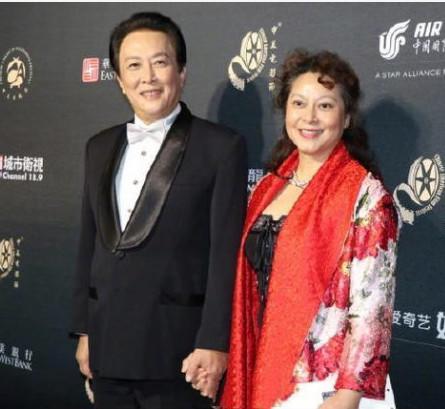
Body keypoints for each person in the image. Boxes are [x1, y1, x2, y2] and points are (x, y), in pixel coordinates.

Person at [71, 12, 247, 409]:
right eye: (133, 65)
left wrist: (213, 342)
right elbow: (88, 245)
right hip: (107, 346)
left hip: (179, 353)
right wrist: (84, 329)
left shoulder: (220, 148)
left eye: (160, 62)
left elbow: (225, 255)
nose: (147, 77)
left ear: (181, 72)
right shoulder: (98, 146)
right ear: (119, 80)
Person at [220, 50, 400, 409]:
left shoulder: (367, 196)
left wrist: (348, 394)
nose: (310, 117)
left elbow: (372, 306)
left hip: (321, 382)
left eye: (325, 106)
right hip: (261, 364)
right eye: (299, 103)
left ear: (346, 118)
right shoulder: (267, 188)